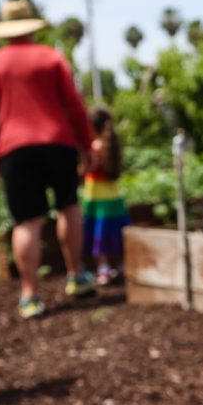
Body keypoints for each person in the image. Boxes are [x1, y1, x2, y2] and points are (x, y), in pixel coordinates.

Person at [0, 0, 96, 318]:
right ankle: (77, 275)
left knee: (26, 221)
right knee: (68, 207)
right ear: (31, 26)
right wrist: (86, 145)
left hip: (15, 150)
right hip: (58, 143)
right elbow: (75, 106)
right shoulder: (52, 58)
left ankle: (30, 295)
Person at [82, 105, 130, 285]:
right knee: (117, 234)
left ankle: (103, 269)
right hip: (115, 199)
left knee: (99, 236)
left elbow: (85, 169)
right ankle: (124, 266)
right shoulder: (112, 144)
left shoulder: (95, 148)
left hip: (97, 200)